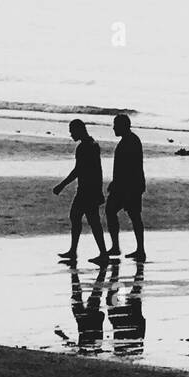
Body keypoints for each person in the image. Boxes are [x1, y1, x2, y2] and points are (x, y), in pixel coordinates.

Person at [53, 119, 110, 265]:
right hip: (91, 189)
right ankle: (77, 251)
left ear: (79, 130)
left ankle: (98, 254)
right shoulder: (93, 145)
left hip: (86, 190)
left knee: (85, 219)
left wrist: (62, 185)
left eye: (72, 130)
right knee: (84, 219)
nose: (71, 134)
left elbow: (78, 170)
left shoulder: (85, 147)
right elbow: (98, 170)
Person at [105, 113, 146, 261]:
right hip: (127, 185)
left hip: (129, 186)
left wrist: (117, 184)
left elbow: (129, 168)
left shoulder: (131, 142)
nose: (114, 128)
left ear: (123, 126)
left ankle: (136, 249)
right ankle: (131, 248)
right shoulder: (129, 140)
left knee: (132, 216)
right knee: (121, 213)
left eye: (116, 125)